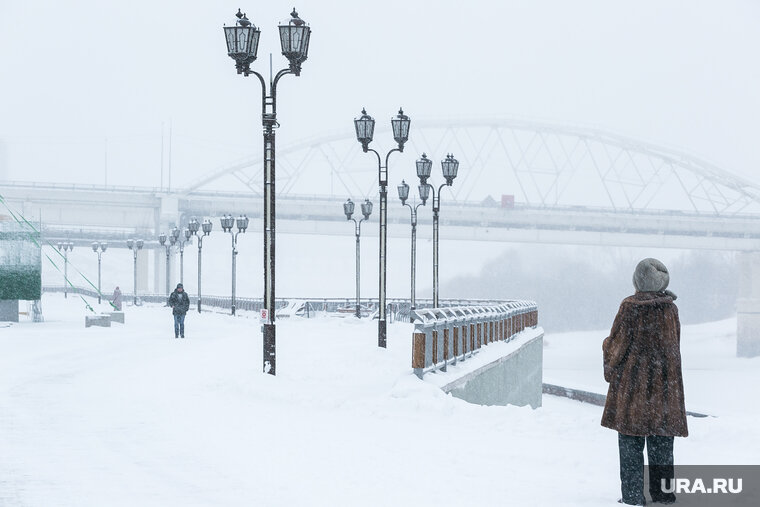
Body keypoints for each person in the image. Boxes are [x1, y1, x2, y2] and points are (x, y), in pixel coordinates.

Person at [602, 258, 688, 506]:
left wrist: (607, 352)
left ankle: (632, 497)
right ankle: (662, 496)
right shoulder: (671, 310)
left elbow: (616, 348)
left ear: (638, 280)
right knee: (662, 444)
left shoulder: (630, 307)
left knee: (630, 444)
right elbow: (674, 347)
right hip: (664, 391)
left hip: (633, 392)